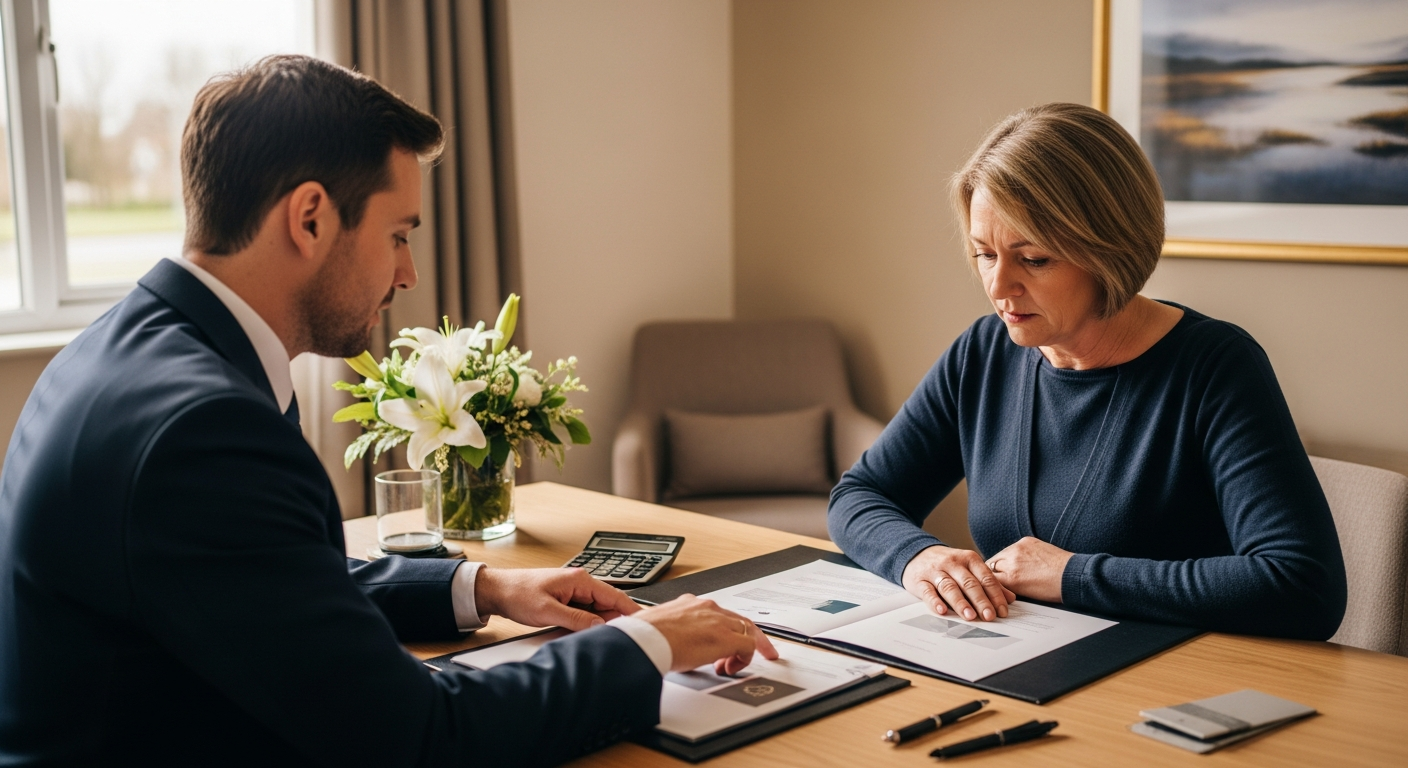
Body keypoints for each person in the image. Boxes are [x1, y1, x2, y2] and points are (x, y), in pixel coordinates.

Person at [0, 55, 773, 768]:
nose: (407, 272)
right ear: (309, 218)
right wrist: (648, 642)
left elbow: (261, 582)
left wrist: (480, 588)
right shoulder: (204, 430)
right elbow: (419, 739)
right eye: (398, 234)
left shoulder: (120, 350)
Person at [828, 102, 1347, 641]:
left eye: (1033, 259)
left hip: (1175, 682)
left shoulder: (1215, 366)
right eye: (985, 254)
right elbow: (860, 496)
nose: (999, 287)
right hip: (1023, 666)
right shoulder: (983, 354)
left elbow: (1303, 586)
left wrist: (1072, 575)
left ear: (1109, 250)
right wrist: (919, 557)